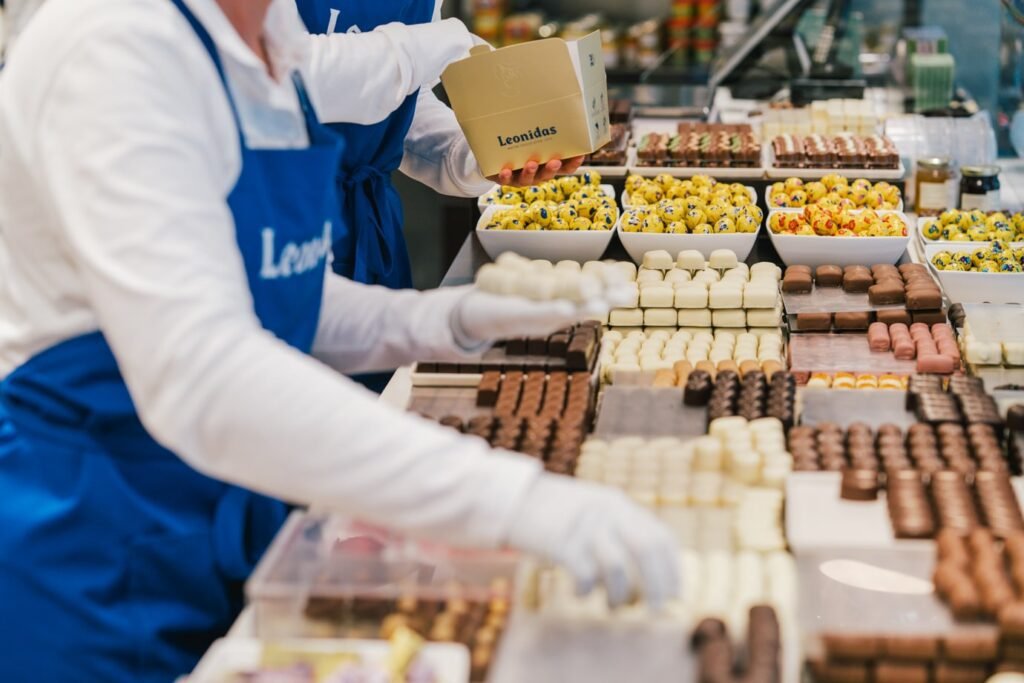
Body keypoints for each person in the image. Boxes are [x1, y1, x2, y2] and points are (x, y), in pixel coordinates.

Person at [0, 0, 679, 681]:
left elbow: (283, 297)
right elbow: (202, 376)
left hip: (228, 510)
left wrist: (447, 321)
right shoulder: (114, 48)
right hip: (100, 536)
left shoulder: (267, 40)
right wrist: (513, 500)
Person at [295, 0, 583, 291]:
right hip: (288, 211)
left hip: (370, 222)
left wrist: (481, 151)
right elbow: (286, 73)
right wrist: (438, 44)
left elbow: (408, 97)